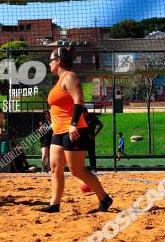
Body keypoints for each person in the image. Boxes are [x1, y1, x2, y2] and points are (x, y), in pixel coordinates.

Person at [41, 47, 112, 214]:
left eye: (51, 60)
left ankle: (104, 198)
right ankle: (54, 204)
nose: (49, 63)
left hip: (73, 130)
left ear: (58, 61)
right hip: (58, 131)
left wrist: (73, 123)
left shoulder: (70, 76)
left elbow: (79, 100)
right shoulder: (59, 81)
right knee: (55, 167)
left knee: (77, 170)